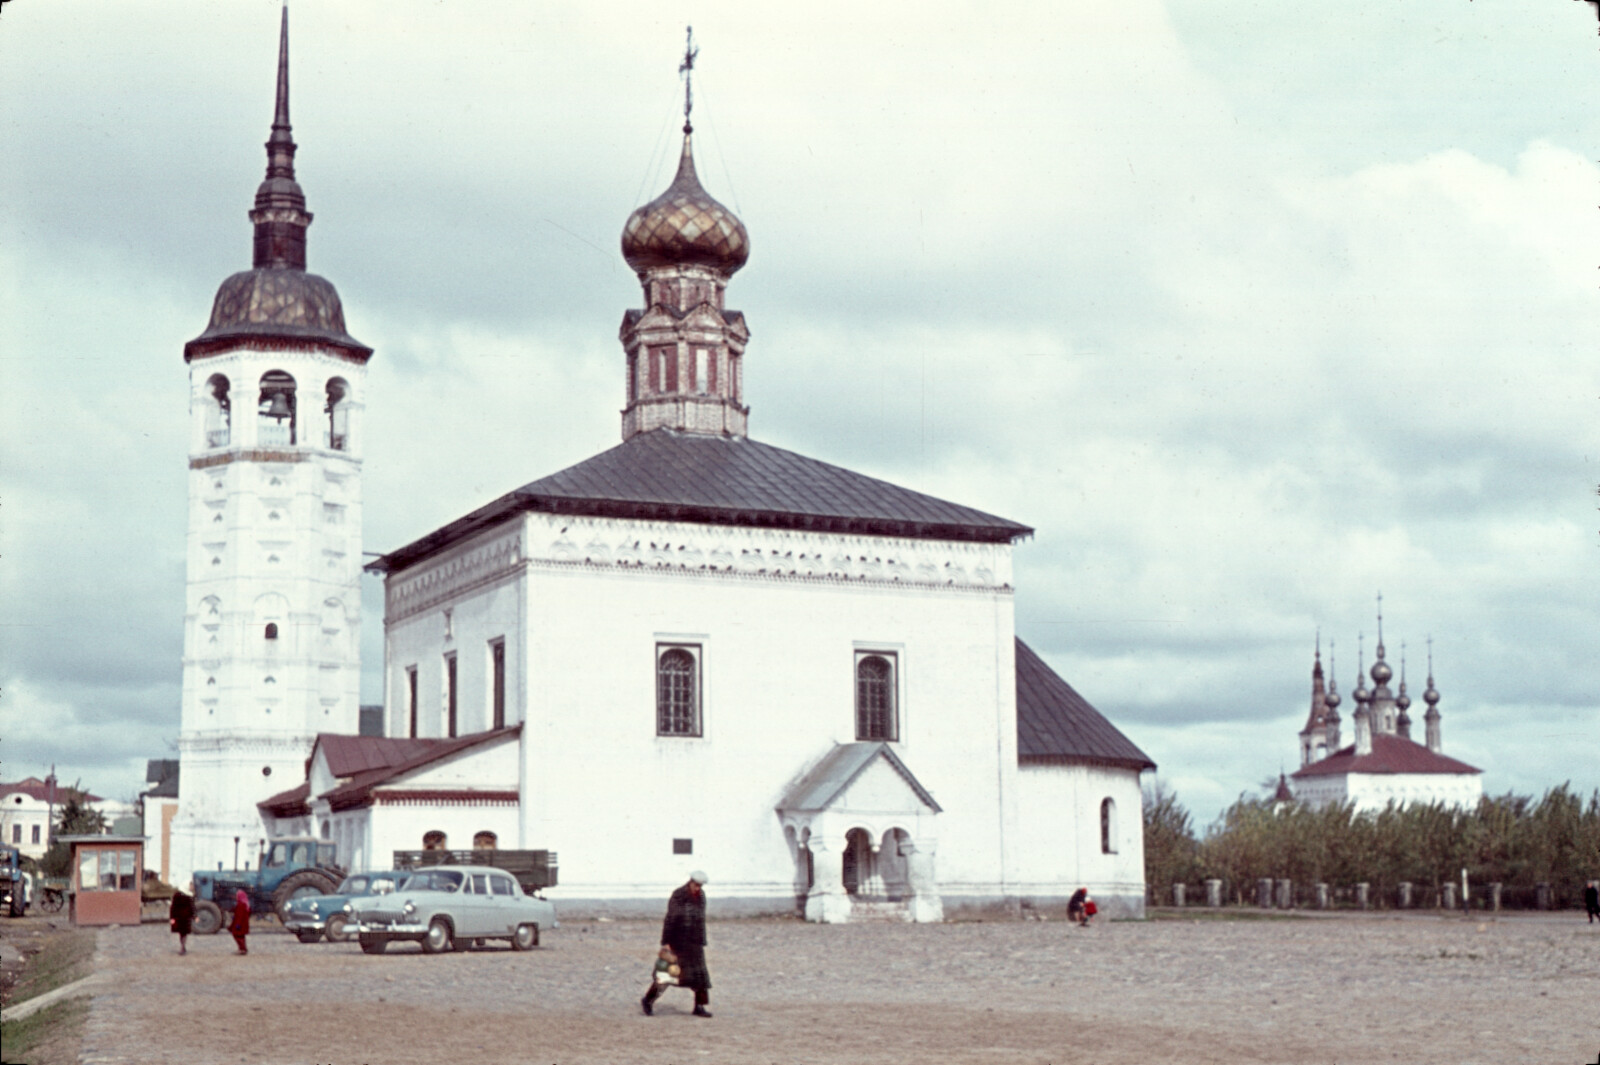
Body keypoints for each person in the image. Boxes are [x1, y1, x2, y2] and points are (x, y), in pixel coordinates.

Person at [642, 871, 712, 1018]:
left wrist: (701, 940)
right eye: (696, 885)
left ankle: (699, 1006)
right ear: (690, 882)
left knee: (700, 977)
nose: (698, 888)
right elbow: (670, 919)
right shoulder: (679, 895)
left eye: (700, 886)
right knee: (667, 975)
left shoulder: (701, 896)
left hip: (694, 944)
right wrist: (666, 942)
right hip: (678, 942)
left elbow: (701, 920)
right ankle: (648, 1000)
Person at [169, 886, 195, 955]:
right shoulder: (188, 895)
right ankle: (183, 947)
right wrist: (194, 916)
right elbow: (192, 907)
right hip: (184, 917)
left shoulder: (177, 895)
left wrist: (172, 917)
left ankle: (182, 947)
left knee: (182, 933)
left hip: (180, 917)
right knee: (184, 933)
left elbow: (172, 907)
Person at [229, 888, 251, 955]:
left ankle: (242, 949)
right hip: (244, 923)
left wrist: (237, 924)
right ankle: (243, 948)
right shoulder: (246, 904)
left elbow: (240, 915)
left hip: (240, 923)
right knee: (241, 936)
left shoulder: (241, 904)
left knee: (237, 935)